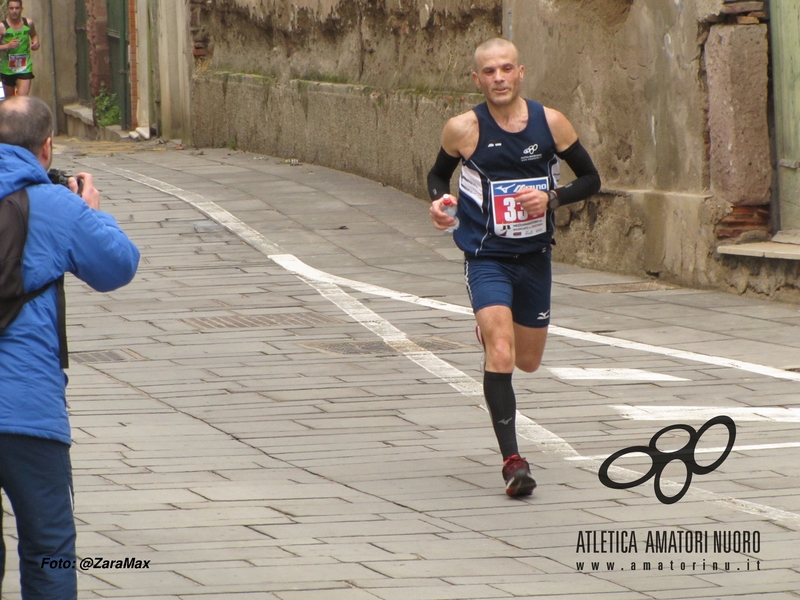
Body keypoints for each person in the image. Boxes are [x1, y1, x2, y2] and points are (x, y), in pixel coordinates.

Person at [428, 38, 601, 497]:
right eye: (489, 71)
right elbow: (436, 175)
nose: (499, 78)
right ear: (476, 78)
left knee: (527, 361)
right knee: (501, 352)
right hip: (486, 256)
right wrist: (440, 202)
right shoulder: (463, 128)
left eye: (506, 69)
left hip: (535, 257)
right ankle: (513, 462)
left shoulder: (551, 122)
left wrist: (552, 197)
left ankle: (494, 327)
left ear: (521, 72)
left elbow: (591, 178)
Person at [0, 96, 139, 598]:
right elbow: (118, 265)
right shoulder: (56, 205)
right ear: (48, 146)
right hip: (29, 409)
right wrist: (92, 213)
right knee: (48, 549)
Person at [0, 0, 39, 98]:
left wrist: (36, 43)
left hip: (24, 67)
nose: (14, 11)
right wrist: (7, 46)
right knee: (10, 100)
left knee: (22, 99)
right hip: (7, 68)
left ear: (21, 9)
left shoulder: (28, 23)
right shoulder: (2, 26)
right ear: (7, 9)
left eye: (17, 8)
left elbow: (34, 35)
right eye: (11, 8)